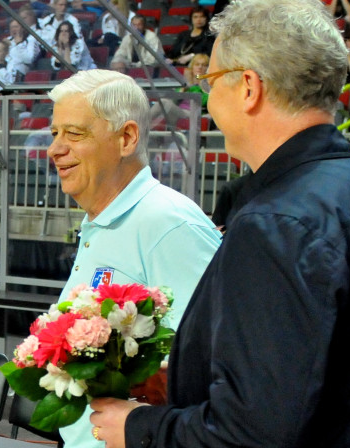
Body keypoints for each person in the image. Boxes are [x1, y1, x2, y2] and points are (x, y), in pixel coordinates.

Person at [89, 1, 350, 447]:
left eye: (210, 81)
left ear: (249, 87)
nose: (207, 98)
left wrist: (137, 427)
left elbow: (252, 432)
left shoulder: (276, 223)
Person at [47, 69, 221, 448]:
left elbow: (212, 367)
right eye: (54, 133)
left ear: (126, 138)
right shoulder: (103, 219)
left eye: (74, 134)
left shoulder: (167, 224)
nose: (55, 149)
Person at [149, 53, 210, 129]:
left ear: (208, 68)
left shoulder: (208, 83)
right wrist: (184, 88)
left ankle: (144, 126)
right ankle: (145, 125)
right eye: (197, 64)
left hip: (193, 113)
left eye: (204, 65)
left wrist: (193, 87)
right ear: (192, 67)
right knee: (163, 104)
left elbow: (205, 101)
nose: (200, 67)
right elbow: (175, 99)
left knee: (164, 103)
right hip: (179, 111)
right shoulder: (186, 81)